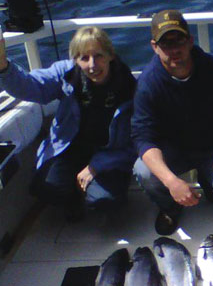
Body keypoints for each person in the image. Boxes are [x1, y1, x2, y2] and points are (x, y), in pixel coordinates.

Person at [0, 26, 137, 221]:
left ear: (110, 55)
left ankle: (96, 190)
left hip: (108, 155)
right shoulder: (65, 74)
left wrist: (98, 165)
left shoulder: (129, 87)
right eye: (84, 58)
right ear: (75, 59)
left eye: (98, 56)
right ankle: (73, 195)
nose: (92, 65)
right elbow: (30, 87)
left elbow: (134, 144)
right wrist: (3, 66)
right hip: (68, 149)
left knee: (106, 201)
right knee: (44, 189)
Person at [131, 9, 213, 235]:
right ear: (154, 47)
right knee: (143, 170)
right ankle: (169, 206)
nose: (175, 50)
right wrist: (171, 181)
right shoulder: (148, 84)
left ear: (190, 41)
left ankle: (209, 183)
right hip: (173, 153)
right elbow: (142, 137)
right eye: (166, 44)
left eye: (179, 41)